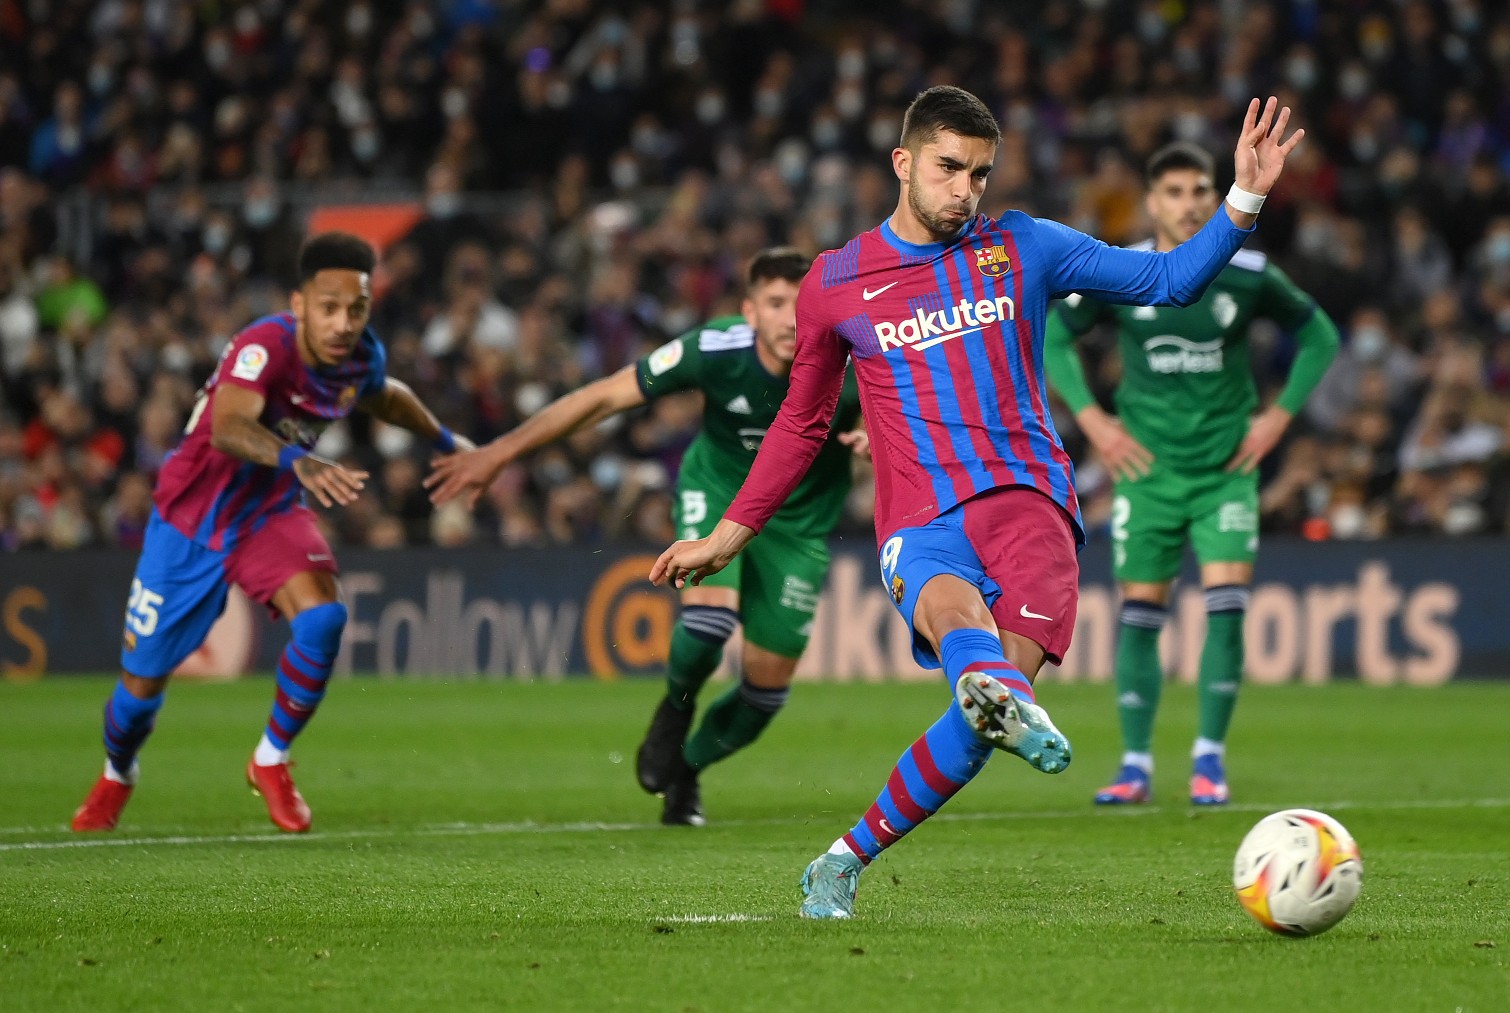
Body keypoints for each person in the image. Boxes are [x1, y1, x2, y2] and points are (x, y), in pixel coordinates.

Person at [651, 86, 1302, 918]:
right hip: (922, 519)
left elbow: (1169, 279)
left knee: (986, 714)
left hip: (1033, 509)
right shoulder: (836, 283)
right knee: (960, 623)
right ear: (904, 163)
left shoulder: (1024, 246)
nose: (966, 190)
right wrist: (729, 535)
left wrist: (1245, 194)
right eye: (949, 168)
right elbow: (802, 420)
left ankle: (843, 859)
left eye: (981, 173)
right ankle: (993, 690)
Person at [425, 248, 864, 827]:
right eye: (775, 304)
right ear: (749, 311)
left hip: (799, 523)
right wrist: (501, 452)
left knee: (763, 696)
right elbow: (604, 395)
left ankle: (685, 769)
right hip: (718, 492)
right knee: (708, 625)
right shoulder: (714, 348)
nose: (789, 319)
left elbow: (916, 418)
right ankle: (676, 708)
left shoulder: (857, 363)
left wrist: (877, 438)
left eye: (800, 304)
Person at [71, 232, 471, 834]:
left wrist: (446, 442)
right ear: (300, 304)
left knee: (323, 618)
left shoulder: (363, 358)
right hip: (190, 518)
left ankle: (270, 759)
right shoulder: (264, 346)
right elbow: (230, 426)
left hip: (267, 512)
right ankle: (116, 773)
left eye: (356, 310)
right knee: (138, 687)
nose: (342, 324)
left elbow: (386, 397)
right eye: (329, 307)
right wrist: (298, 461)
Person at [1043, 142, 1340, 808]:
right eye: (1173, 192)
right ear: (1152, 204)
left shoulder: (1250, 271)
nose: (1188, 204)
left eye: (1199, 190)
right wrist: (1093, 420)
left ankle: (1209, 758)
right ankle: (1135, 763)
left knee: (1227, 608)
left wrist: (1278, 418)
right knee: (1140, 614)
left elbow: (1320, 334)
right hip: (1146, 470)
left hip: (1225, 470)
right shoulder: (1123, 272)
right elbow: (1054, 337)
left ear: (1216, 197)